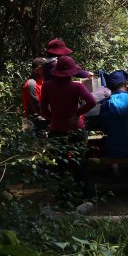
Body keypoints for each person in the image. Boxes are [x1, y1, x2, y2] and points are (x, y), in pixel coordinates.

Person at [40, 55, 97, 200]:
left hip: (56, 130)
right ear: (71, 72)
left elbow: (43, 109)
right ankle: (87, 194)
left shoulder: (47, 86)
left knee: (60, 163)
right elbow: (91, 101)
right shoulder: (76, 86)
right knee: (79, 162)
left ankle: (63, 196)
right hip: (75, 129)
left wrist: (51, 118)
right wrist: (77, 114)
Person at [20, 57, 48, 135]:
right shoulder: (31, 83)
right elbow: (36, 107)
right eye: (45, 67)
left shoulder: (43, 82)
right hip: (32, 121)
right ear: (37, 70)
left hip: (41, 119)